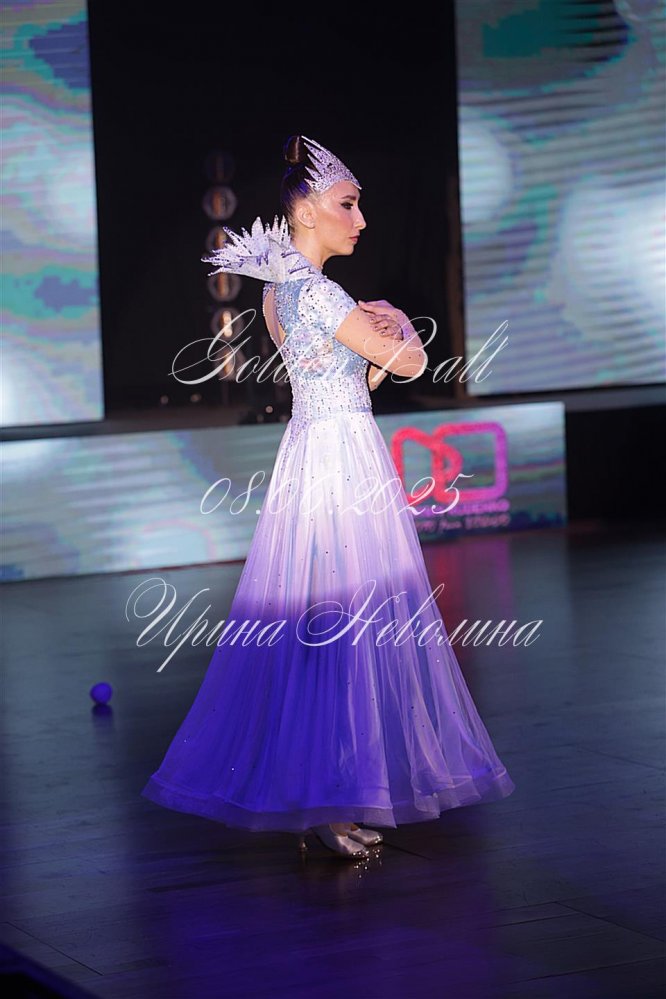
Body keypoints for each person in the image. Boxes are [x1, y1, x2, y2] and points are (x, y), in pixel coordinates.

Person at [141, 134, 515, 860]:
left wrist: (375, 340)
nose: (361, 220)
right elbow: (409, 361)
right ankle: (329, 799)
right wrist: (395, 320)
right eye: (348, 204)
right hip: (341, 460)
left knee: (324, 628)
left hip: (316, 449)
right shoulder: (317, 291)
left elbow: (350, 377)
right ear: (307, 210)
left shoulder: (278, 293)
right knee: (347, 625)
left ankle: (328, 797)